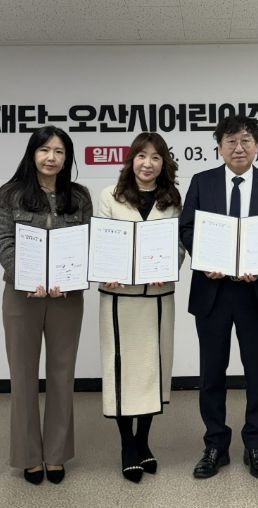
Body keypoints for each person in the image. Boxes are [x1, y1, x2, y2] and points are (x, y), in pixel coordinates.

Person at [179, 114, 258, 480]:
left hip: (255, 292)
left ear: (257, 146)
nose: (238, 148)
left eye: (245, 141)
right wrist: (204, 259)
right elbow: (187, 227)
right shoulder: (202, 182)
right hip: (212, 291)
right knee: (212, 372)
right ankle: (215, 444)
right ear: (219, 147)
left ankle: (256, 445)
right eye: (230, 141)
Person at [0, 125, 93, 485]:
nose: (52, 158)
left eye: (59, 151)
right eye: (45, 150)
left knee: (62, 376)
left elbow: (87, 243)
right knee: (22, 377)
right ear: (32, 154)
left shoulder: (79, 197)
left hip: (67, 298)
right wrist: (25, 276)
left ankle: (56, 454)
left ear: (67, 158)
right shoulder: (11, 194)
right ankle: (28, 457)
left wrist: (72, 276)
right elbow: (2, 241)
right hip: (23, 297)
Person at [97, 132, 184, 483]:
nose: (148, 164)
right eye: (141, 156)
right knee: (121, 370)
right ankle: (126, 445)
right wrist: (107, 267)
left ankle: (144, 441)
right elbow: (103, 241)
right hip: (118, 297)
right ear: (131, 159)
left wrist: (170, 265)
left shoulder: (171, 199)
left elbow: (179, 245)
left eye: (156, 157)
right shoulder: (110, 195)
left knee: (153, 370)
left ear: (164, 164)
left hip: (158, 296)